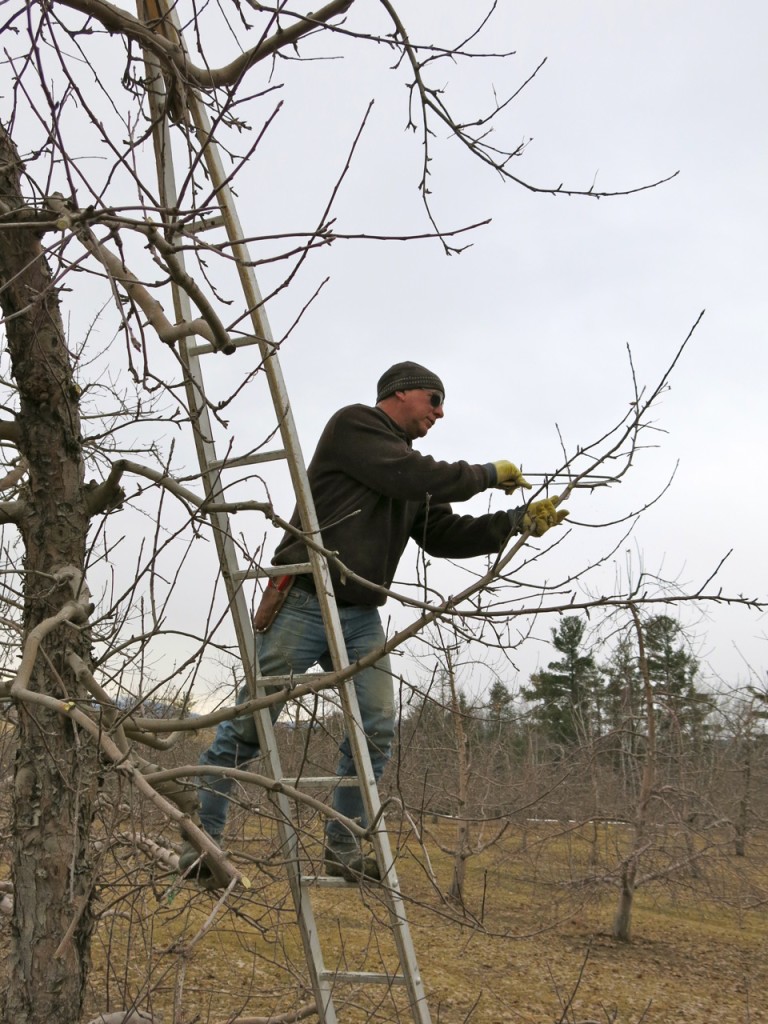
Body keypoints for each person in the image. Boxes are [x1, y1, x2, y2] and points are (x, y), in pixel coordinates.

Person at [179, 361, 567, 884]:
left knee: (377, 728)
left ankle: (341, 846)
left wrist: (514, 522)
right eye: (433, 400)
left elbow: (443, 533)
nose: (440, 412)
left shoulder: (405, 470)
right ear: (401, 394)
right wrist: (487, 474)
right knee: (252, 726)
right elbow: (412, 474)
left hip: (360, 614)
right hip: (305, 599)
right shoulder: (355, 427)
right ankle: (201, 845)